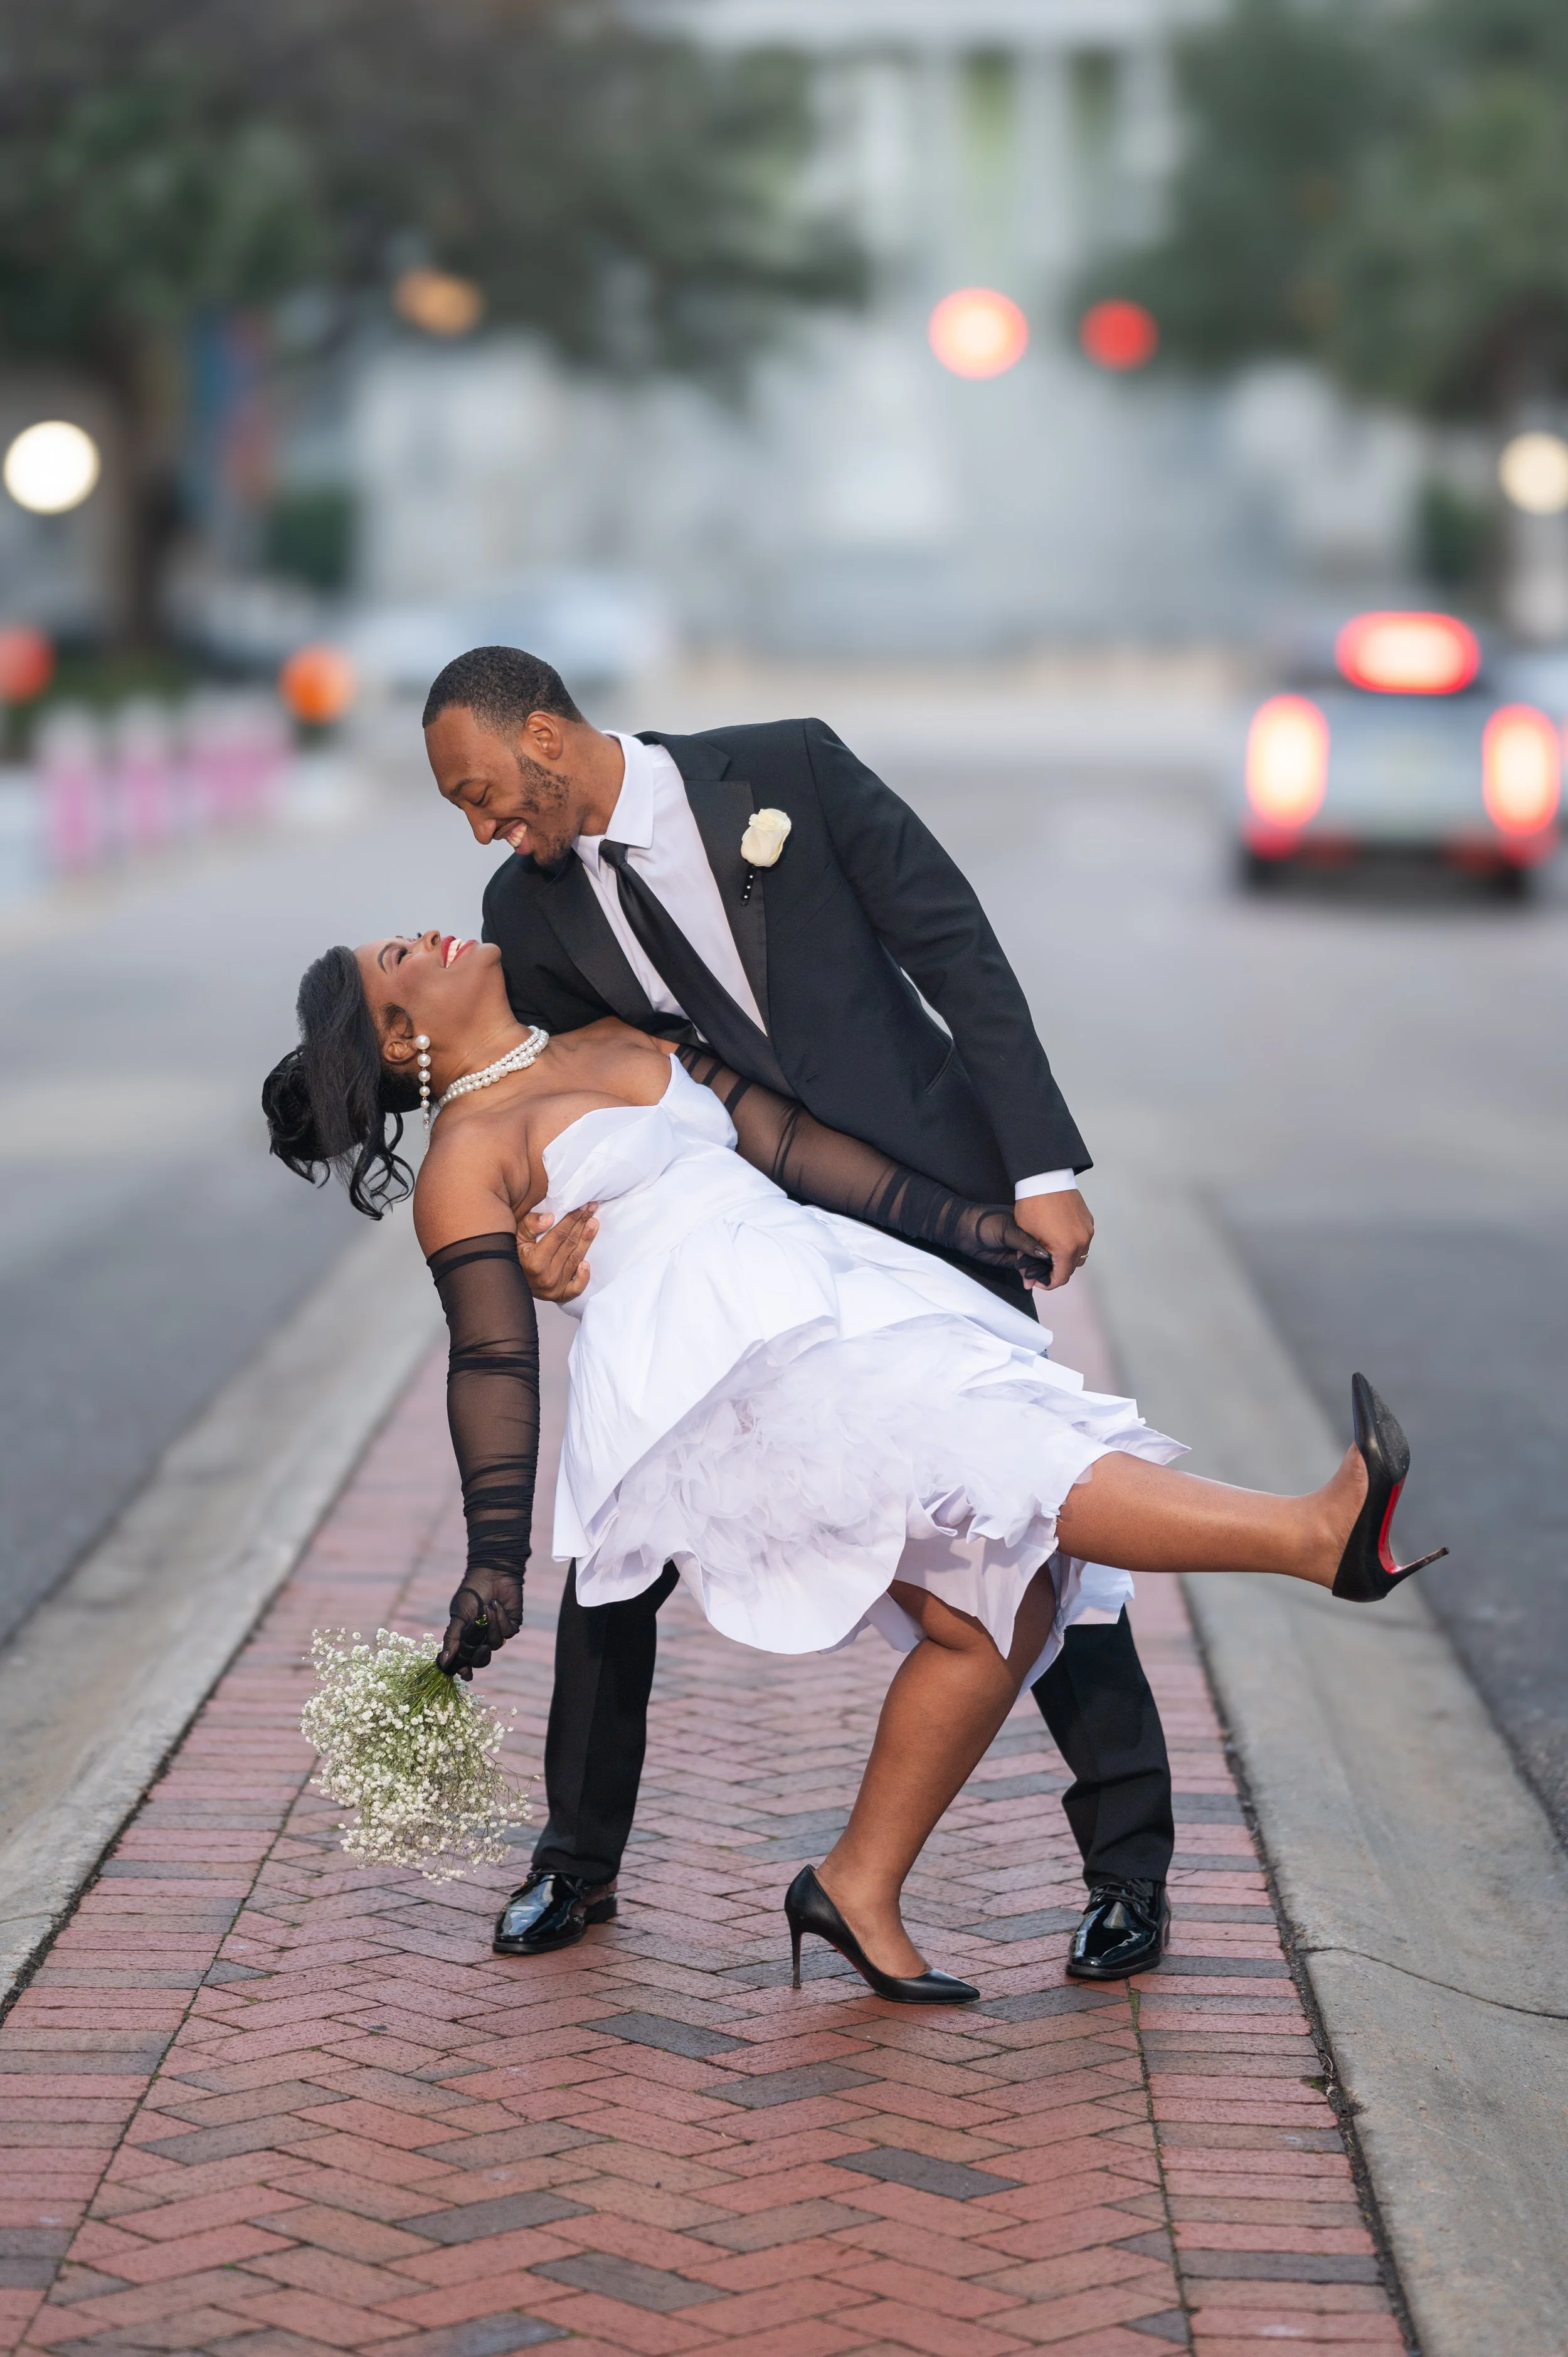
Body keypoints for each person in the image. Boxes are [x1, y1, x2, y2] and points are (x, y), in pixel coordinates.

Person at [263, 931, 1444, 2005]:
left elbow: (786, 1143)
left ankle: (856, 1884)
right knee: (1012, 1463)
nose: (422, 934)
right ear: (403, 1037)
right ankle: (1310, 1538)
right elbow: (491, 1362)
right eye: (393, 960)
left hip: (830, 1293)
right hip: (727, 1380)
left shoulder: (612, 1034)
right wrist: (492, 1560)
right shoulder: (467, 1156)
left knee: (1003, 1604)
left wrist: (977, 1227)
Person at [421, 645, 1177, 1982]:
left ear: (544, 734)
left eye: (484, 790)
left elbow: (951, 943)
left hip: (922, 1192)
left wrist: (1039, 1169)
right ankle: (573, 1860)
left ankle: (1126, 1869)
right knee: (621, 1525)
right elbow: (559, 1094)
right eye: (466, 812)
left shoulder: (785, 772)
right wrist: (549, 1244)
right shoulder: (525, 910)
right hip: (734, 1242)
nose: (484, 825)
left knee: (1019, 1488)